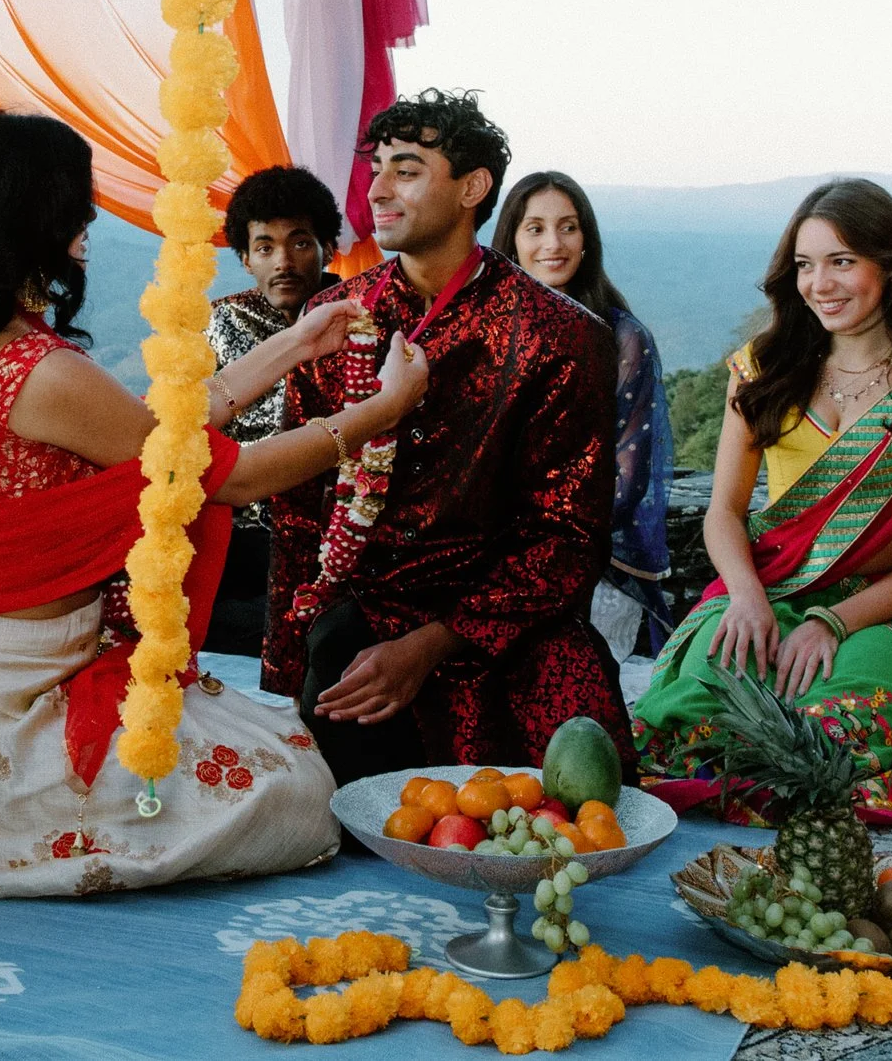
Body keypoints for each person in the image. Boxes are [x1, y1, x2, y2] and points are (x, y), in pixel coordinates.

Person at [0, 112, 427, 898]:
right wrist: (379, 413)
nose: (88, 218)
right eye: (75, 199)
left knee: (274, 751)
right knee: (295, 793)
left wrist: (298, 339)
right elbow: (235, 477)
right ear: (36, 214)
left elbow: (167, 429)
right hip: (7, 708)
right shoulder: (42, 370)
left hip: (15, 676)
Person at [630, 180, 892, 823]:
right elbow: (724, 513)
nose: (820, 284)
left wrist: (833, 622)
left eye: (842, 262)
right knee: (699, 707)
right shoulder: (763, 370)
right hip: (765, 590)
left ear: (889, 268)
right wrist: (747, 599)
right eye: (805, 265)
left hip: (878, 610)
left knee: (853, 719)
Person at [266, 91, 637, 787]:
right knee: (332, 818)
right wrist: (287, 670)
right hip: (366, 613)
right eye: (376, 168)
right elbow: (298, 508)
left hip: (510, 621)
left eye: (405, 169)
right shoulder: (333, 317)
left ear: (472, 188)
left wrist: (434, 644)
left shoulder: (562, 336)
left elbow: (566, 537)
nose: (377, 190)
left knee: (576, 812)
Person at [493, 171, 675, 658]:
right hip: (485, 557)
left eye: (568, 227)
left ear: (587, 239)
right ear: (510, 240)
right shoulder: (485, 335)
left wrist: (542, 553)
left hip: (590, 562)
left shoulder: (622, 340)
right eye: (535, 229)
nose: (553, 243)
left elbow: (627, 480)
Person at [207, 164, 345, 655]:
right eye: (265, 247)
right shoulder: (222, 322)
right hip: (241, 532)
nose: (282, 261)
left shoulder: (358, 316)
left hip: (334, 535)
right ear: (244, 257)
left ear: (329, 246)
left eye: (300, 242)